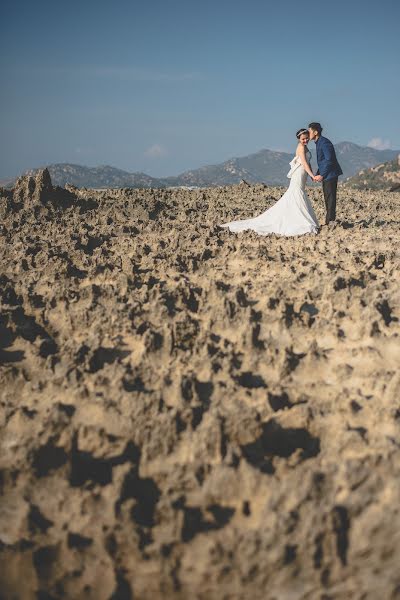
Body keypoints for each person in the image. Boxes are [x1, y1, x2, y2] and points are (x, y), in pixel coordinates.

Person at [219, 129, 319, 236]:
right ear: (299, 139)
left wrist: (311, 175)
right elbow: (304, 162)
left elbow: (308, 163)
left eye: (307, 138)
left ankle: (300, 218)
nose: (305, 140)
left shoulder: (305, 147)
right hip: (299, 173)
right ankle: (299, 220)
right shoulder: (301, 147)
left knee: (298, 193)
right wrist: (312, 175)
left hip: (303, 173)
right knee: (296, 193)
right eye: (303, 139)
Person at [308, 122, 343, 226]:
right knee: (328, 197)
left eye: (309, 131)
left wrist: (322, 174)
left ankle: (330, 221)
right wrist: (317, 174)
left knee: (330, 197)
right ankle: (329, 221)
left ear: (315, 132)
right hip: (326, 174)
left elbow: (329, 160)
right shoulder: (319, 142)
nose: (308, 133)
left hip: (330, 174)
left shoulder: (324, 143)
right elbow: (323, 162)